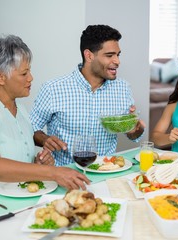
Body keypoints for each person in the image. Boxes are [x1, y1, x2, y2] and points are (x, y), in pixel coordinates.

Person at [0, 35, 90, 193]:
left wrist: (38, 164)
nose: (31, 78)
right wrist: (54, 172)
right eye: (24, 74)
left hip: (11, 193)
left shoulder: (19, 107)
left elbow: (15, 149)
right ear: (0, 77)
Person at [30, 24, 145, 166]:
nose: (117, 61)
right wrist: (44, 139)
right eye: (110, 55)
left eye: (118, 55)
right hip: (65, 173)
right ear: (89, 55)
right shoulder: (53, 89)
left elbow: (133, 134)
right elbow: (31, 128)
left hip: (106, 172)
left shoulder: (123, 88)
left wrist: (136, 129)